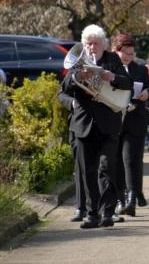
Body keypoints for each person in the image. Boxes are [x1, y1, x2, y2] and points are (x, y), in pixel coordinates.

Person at [59, 24, 133, 228]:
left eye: (96, 44)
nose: (92, 47)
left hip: (108, 124)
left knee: (106, 168)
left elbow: (127, 82)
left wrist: (113, 78)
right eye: (88, 44)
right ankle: (92, 215)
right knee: (87, 172)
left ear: (103, 45)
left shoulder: (112, 59)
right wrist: (76, 79)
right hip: (83, 124)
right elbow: (63, 90)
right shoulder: (77, 63)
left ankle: (107, 213)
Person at [113, 33, 149, 217]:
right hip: (115, 121)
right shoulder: (110, 68)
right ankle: (121, 198)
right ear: (117, 50)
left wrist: (147, 92)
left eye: (131, 54)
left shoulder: (139, 69)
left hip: (136, 120)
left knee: (131, 159)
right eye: (126, 54)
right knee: (117, 162)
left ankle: (132, 198)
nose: (129, 58)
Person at [57, 90, 86, 222]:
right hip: (78, 125)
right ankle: (81, 207)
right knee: (80, 168)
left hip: (101, 127)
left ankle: (105, 208)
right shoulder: (75, 73)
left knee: (102, 169)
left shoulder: (106, 69)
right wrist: (72, 102)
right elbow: (62, 94)